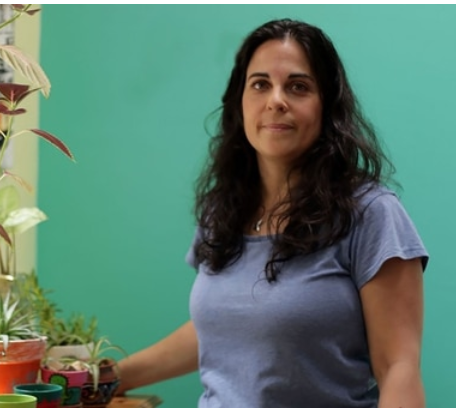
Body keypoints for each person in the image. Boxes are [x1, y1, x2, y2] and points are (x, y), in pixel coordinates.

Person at [115, 18, 429, 408]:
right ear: (240, 102)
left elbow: (398, 367)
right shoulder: (221, 211)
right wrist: (106, 377)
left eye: (298, 87)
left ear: (327, 105)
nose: (276, 100)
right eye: (260, 84)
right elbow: (228, 327)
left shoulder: (371, 213)